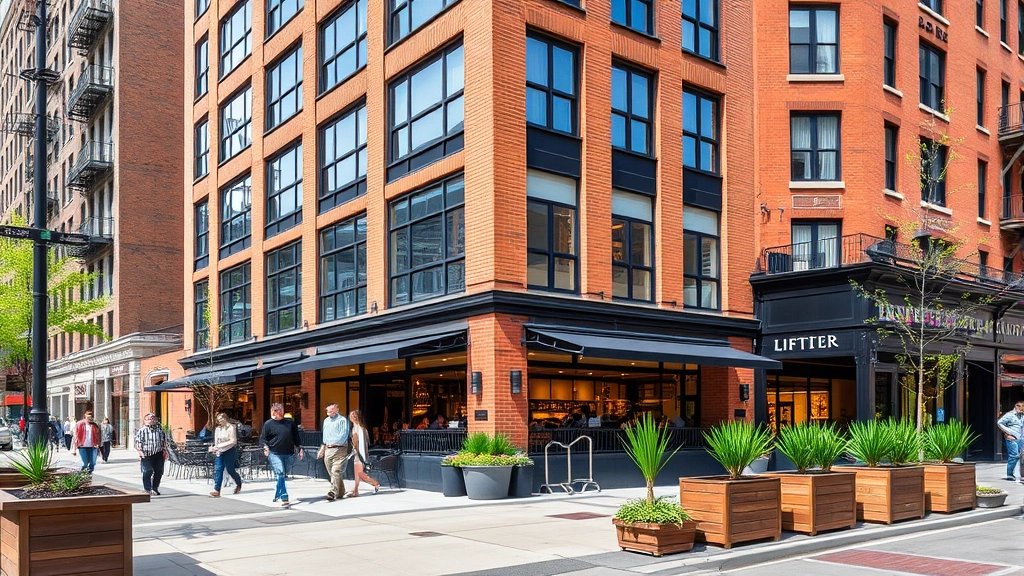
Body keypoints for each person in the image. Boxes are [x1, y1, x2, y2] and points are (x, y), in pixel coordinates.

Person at [259, 403, 303, 506]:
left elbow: (296, 437)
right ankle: (284, 496)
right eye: (278, 411)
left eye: (282, 410)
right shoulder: (268, 424)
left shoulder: (290, 423)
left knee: (282, 475)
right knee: (280, 473)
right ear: (273, 412)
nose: (281, 413)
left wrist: (300, 448)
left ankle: (277, 493)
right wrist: (265, 447)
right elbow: (263, 438)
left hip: (288, 453)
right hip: (274, 453)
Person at [317, 403, 349, 502]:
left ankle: (333, 492)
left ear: (337, 410)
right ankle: (341, 491)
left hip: (340, 449)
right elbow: (325, 436)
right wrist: (323, 447)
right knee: (332, 473)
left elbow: (344, 435)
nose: (328, 413)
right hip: (328, 449)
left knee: (336, 470)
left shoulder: (342, 420)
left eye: (331, 411)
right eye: (327, 411)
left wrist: (334, 443)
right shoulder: (326, 421)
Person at [134, 413, 169, 495]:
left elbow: (164, 441)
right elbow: (138, 442)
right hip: (146, 454)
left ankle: (155, 488)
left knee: (159, 471)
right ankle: (147, 488)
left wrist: (165, 450)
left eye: (153, 418)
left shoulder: (160, 430)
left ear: (155, 420)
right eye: (148, 419)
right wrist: (140, 452)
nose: (151, 420)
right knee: (148, 471)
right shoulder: (142, 430)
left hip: (158, 453)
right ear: (145, 421)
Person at [346, 410, 380, 497]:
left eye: (355, 416)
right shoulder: (354, 428)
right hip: (356, 453)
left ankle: (375, 483)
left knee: (360, 474)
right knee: (357, 473)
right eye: (352, 416)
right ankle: (355, 490)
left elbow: (363, 444)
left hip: (360, 454)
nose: (353, 417)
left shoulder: (361, 429)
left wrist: (362, 456)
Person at [209, 413, 243, 497]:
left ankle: (238, 482)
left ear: (225, 418)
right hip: (220, 451)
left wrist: (219, 446)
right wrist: (215, 448)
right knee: (218, 469)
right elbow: (216, 441)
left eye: (221, 419)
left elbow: (233, 441)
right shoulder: (218, 429)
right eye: (218, 420)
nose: (220, 421)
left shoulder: (231, 428)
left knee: (230, 469)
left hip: (230, 451)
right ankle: (217, 489)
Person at [997, 401, 1024, 481]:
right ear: (1016, 407)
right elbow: (999, 423)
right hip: (1012, 437)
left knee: (1022, 457)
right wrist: (1007, 433)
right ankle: (1009, 474)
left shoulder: (1021, 415)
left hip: (1020, 438)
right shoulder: (1010, 415)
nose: (1022, 411)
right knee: (1014, 455)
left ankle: (1021, 475)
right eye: (1021, 408)